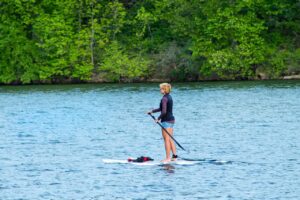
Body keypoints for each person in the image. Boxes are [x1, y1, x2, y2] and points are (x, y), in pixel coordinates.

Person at [147, 83, 177, 162]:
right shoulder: (169, 97)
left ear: (164, 89)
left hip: (166, 121)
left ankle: (167, 158)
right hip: (171, 120)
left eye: (161, 89)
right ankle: (174, 156)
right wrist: (152, 111)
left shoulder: (164, 98)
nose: (160, 90)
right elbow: (161, 108)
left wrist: (158, 119)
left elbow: (163, 112)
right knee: (170, 138)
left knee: (166, 139)